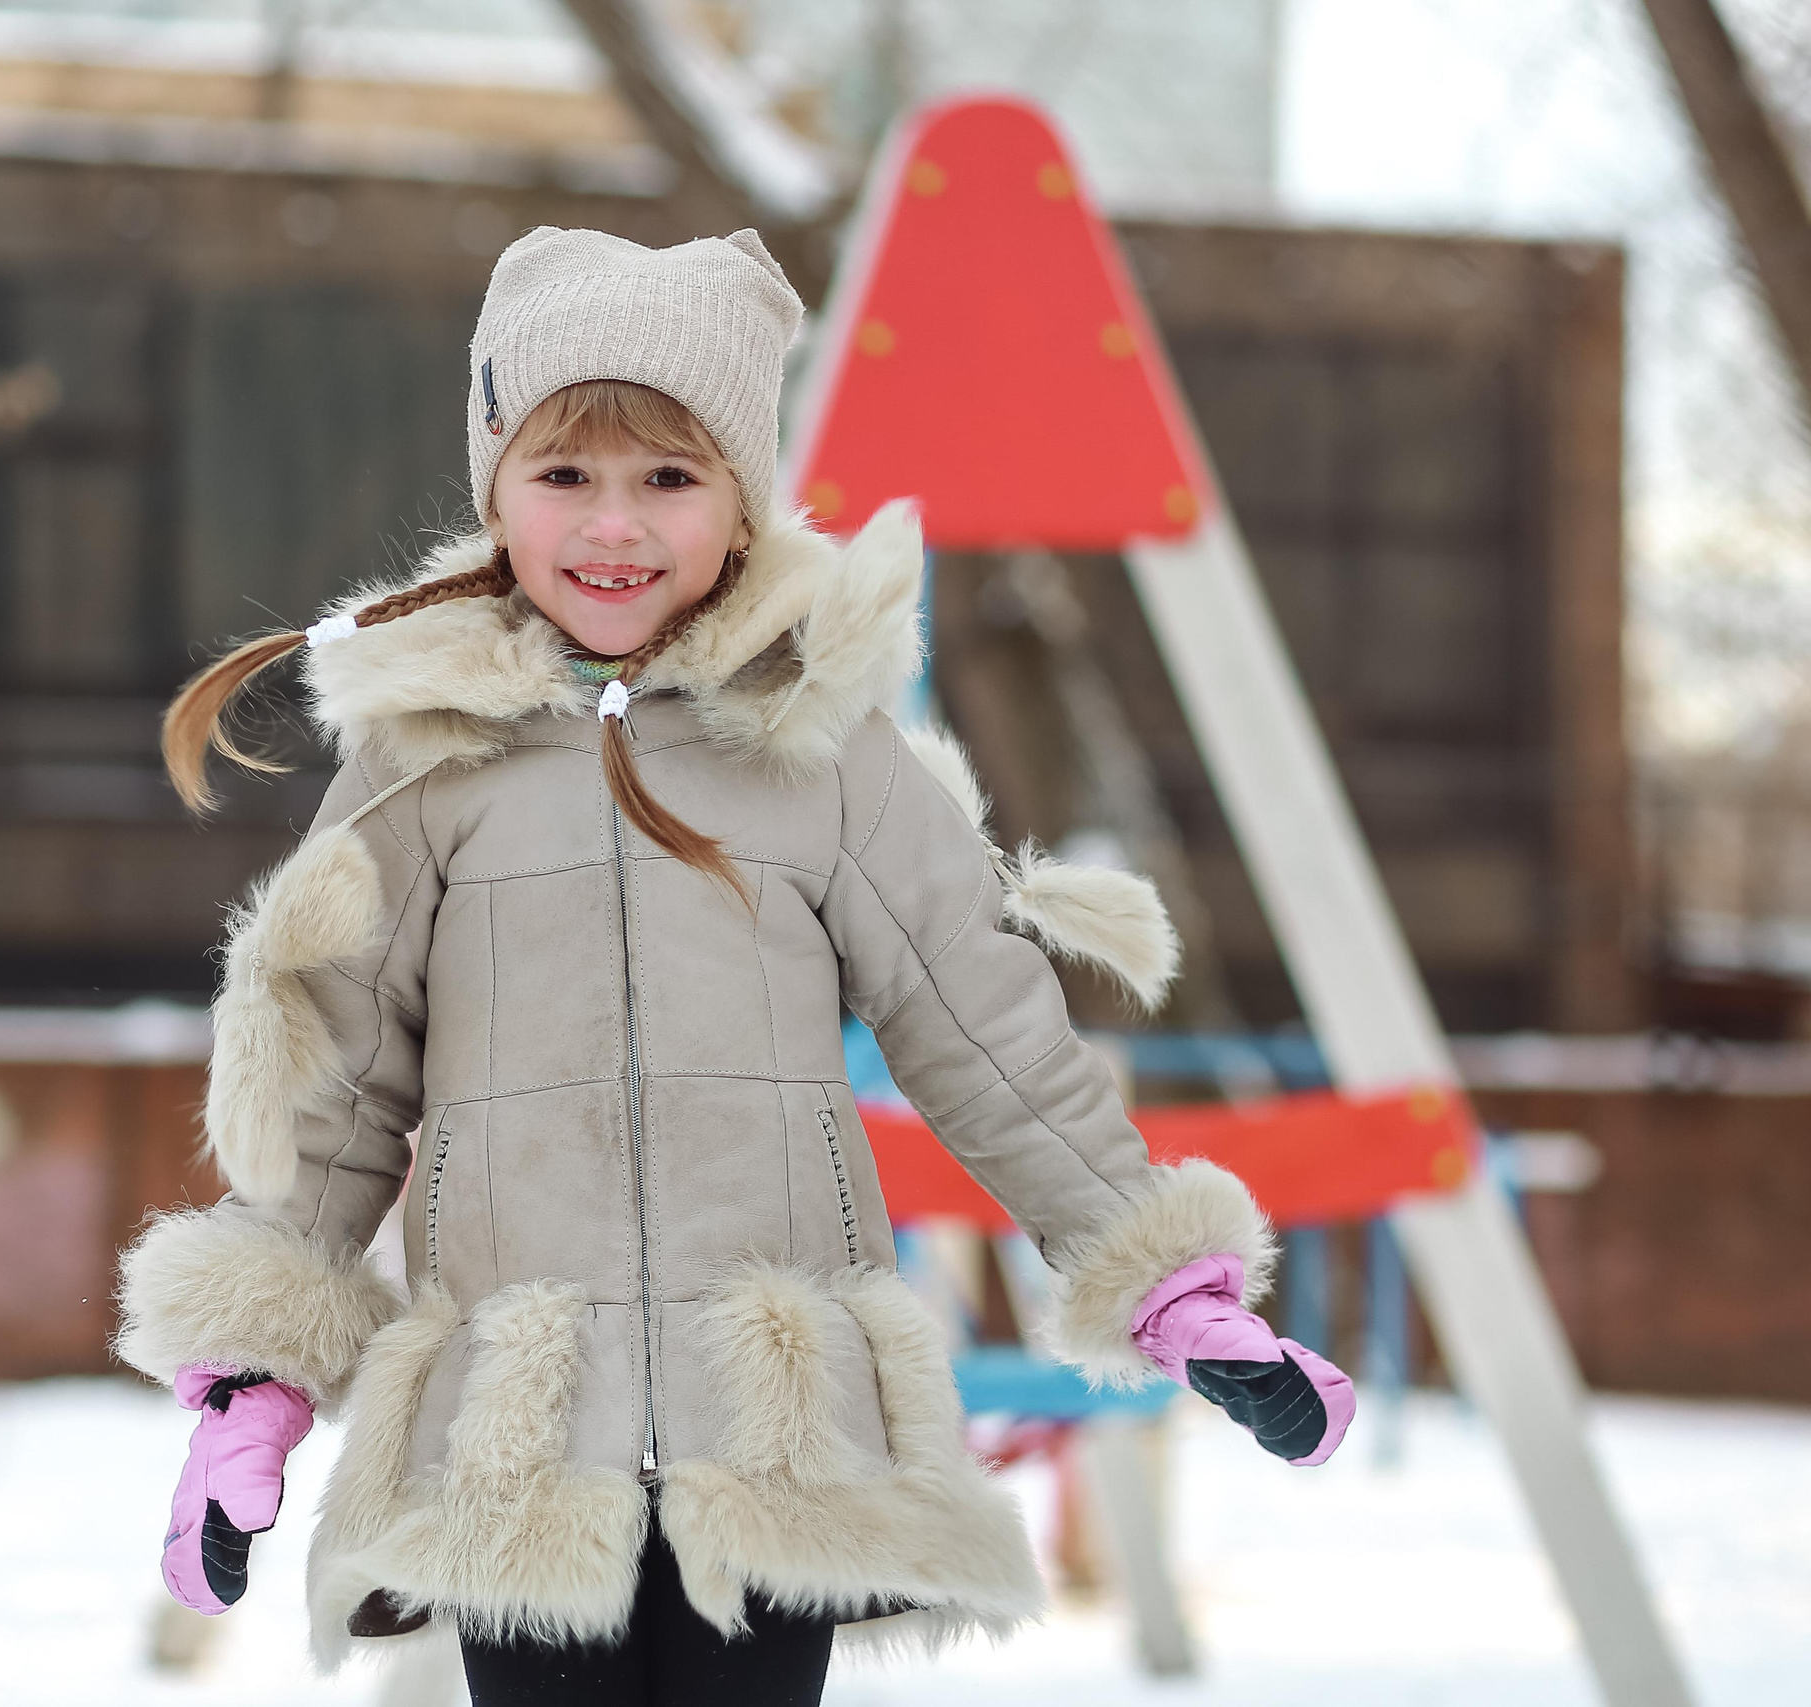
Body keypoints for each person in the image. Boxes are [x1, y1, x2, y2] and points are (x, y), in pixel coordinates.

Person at [118, 226, 1354, 1707]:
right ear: (494, 487)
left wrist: (1162, 1279)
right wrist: (257, 1379)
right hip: (523, 1425)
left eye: (670, 477)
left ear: (743, 497)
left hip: (775, 1423)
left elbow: (984, 1028)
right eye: (564, 475)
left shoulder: (817, 741)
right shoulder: (426, 757)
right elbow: (339, 1076)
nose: (614, 526)